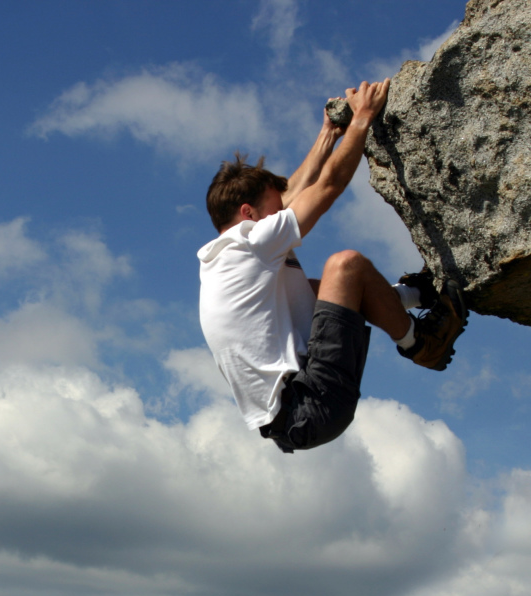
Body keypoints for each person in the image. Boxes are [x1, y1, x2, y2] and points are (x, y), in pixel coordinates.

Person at [197, 79, 467, 453]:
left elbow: (293, 192)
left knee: (315, 287)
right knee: (347, 265)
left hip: (295, 418)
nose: (285, 213)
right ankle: (422, 344)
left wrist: (328, 134)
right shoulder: (250, 243)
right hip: (310, 402)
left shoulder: (226, 258)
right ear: (248, 213)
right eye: (275, 211)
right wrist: (362, 119)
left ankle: (420, 293)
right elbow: (324, 189)